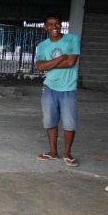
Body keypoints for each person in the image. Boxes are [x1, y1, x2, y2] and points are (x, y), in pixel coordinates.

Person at [35, 12, 81, 167]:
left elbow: (71, 63)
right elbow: (40, 67)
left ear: (61, 24)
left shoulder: (72, 39)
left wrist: (50, 63)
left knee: (69, 123)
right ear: (45, 27)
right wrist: (61, 58)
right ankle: (53, 152)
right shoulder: (42, 46)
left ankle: (67, 154)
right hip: (50, 87)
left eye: (57, 23)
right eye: (50, 24)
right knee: (50, 121)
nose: (54, 27)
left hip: (68, 88)